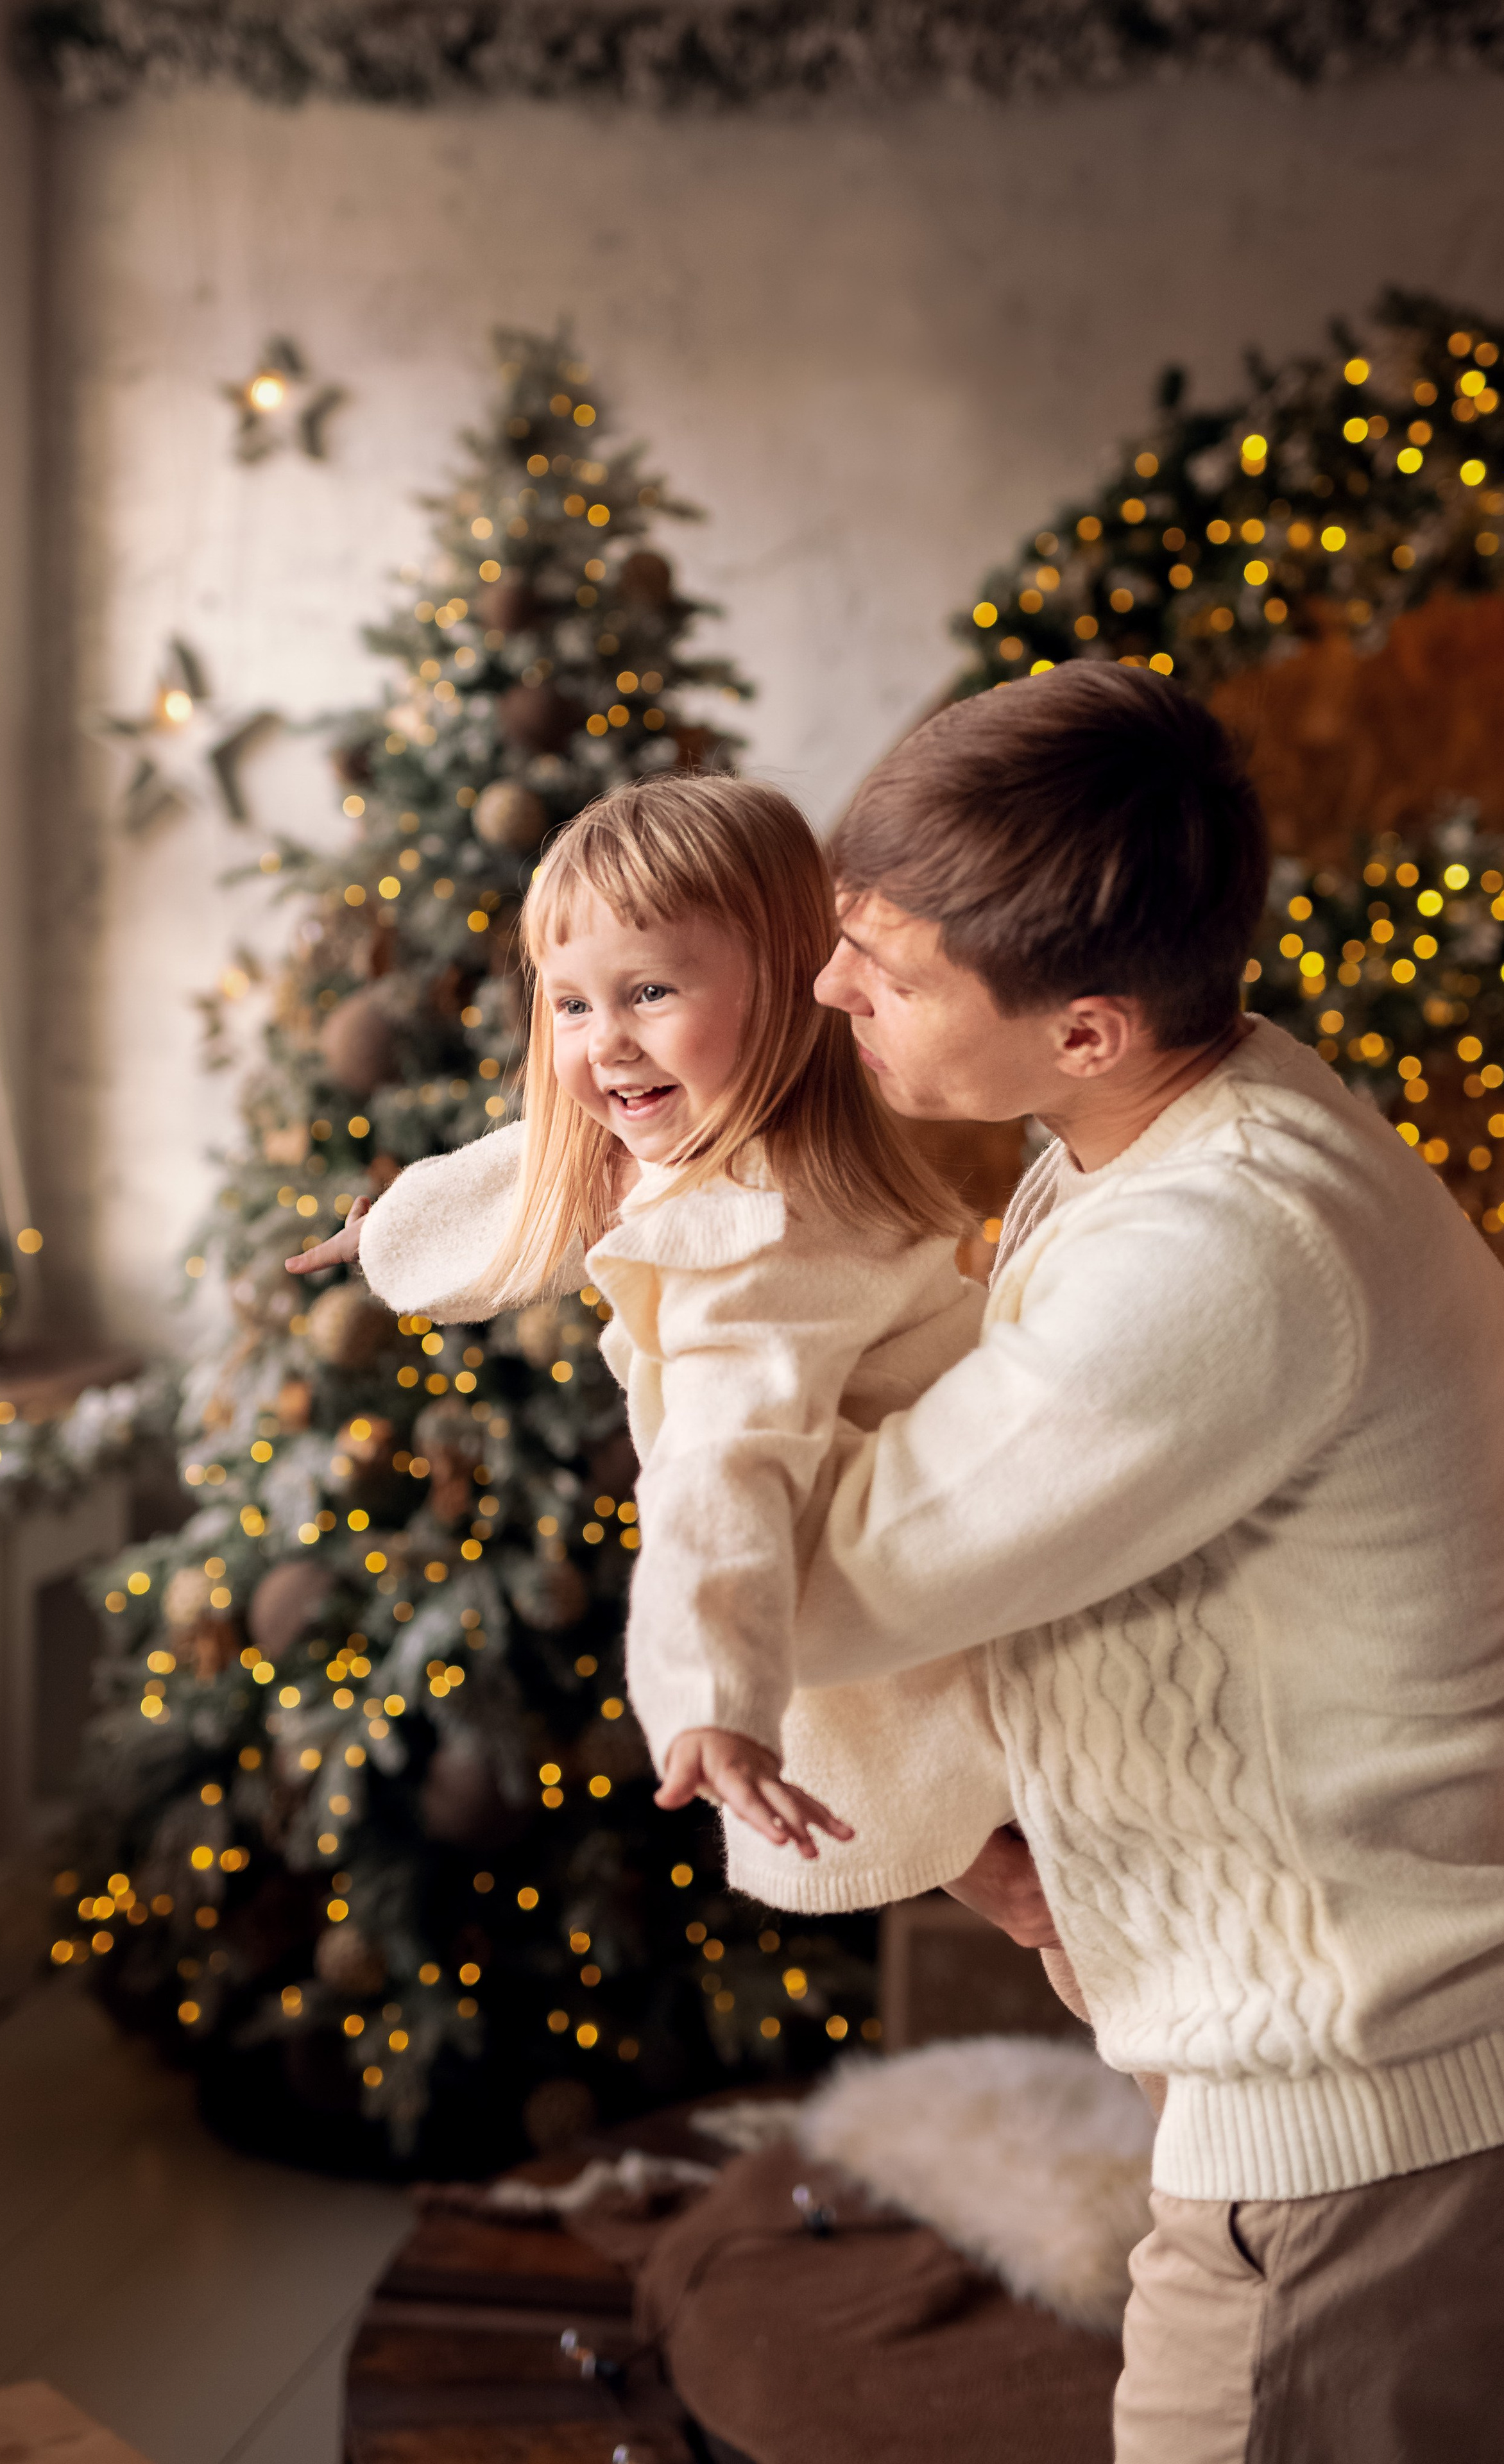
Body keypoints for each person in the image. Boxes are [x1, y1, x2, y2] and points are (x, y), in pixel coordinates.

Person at [792, 660, 1504, 2461]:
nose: (826, 986)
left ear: (1088, 1024)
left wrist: (670, 1311)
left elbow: (818, 1582)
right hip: (1338, 2084)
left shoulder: (1218, 1243)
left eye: (883, 964)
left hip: (1363, 2124)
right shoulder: (1139, 1140)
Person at [287, 771, 1013, 1914]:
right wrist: (391, 1235)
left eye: (651, 991)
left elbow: (722, 1459)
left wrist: (709, 1697)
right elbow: (555, 1164)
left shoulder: (764, 1234)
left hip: (929, 1602)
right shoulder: (698, 1133)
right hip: (868, 1582)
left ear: (784, 986)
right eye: (572, 1005)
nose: (606, 1045)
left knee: (1034, 1889)